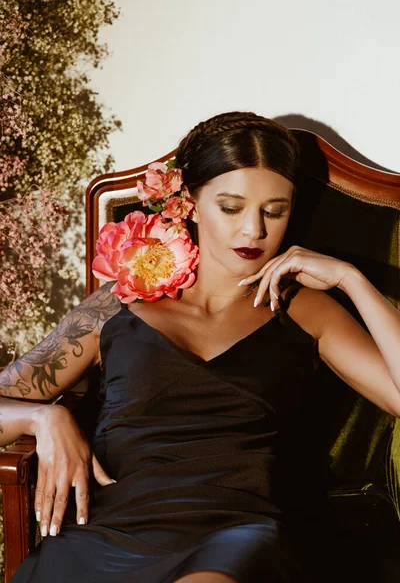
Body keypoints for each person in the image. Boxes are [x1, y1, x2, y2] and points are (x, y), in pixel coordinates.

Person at [1, 110, 400, 583]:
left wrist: (352, 282)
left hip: (237, 534)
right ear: (188, 202)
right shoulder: (116, 305)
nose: (253, 230)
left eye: (275, 211)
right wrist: (43, 416)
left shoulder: (303, 309)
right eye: (231, 207)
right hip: (109, 534)